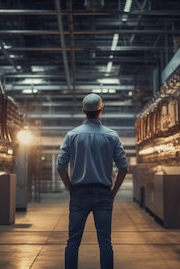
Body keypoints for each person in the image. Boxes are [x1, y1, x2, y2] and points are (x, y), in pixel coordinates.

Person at [57, 93, 128, 269]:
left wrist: (70, 188)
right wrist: (113, 193)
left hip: (79, 193)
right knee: (105, 241)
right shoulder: (112, 136)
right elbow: (124, 167)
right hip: (103, 193)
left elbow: (60, 166)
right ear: (101, 110)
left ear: (83, 111)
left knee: (73, 241)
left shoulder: (72, 135)